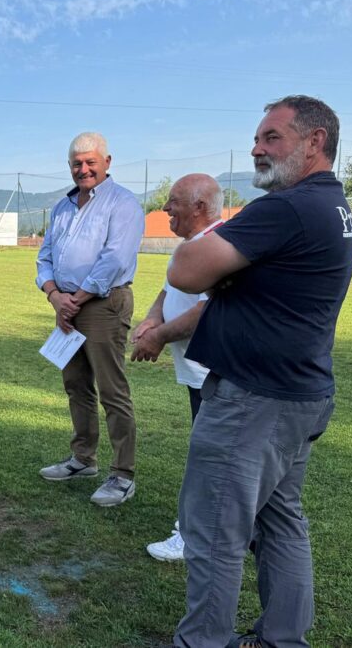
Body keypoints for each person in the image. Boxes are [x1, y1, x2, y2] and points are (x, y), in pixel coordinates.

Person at [168, 96, 352, 648]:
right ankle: (281, 638)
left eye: (272, 136)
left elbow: (185, 270)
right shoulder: (332, 204)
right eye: (257, 137)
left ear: (315, 141)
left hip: (255, 400)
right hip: (299, 392)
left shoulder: (286, 207)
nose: (257, 148)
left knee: (214, 533)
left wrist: (228, 266)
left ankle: (201, 642)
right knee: (279, 521)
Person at [36, 132, 146, 507]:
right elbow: (45, 256)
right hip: (66, 305)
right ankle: (83, 459)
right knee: (76, 385)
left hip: (102, 304)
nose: (83, 169)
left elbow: (114, 260)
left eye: (90, 162)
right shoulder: (62, 207)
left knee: (112, 391)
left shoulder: (124, 204)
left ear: (107, 162)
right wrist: (55, 297)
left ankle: (122, 475)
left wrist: (75, 299)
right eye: (76, 164)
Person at [129, 174, 225, 562]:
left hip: (214, 375)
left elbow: (207, 310)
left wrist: (159, 337)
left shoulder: (216, 248)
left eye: (174, 201)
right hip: (198, 373)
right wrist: (153, 318)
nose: (165, 208)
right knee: (211, 454)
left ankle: (192, 536)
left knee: (209, 457)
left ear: (200, 207)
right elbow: (170, 290)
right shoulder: (192, 245)